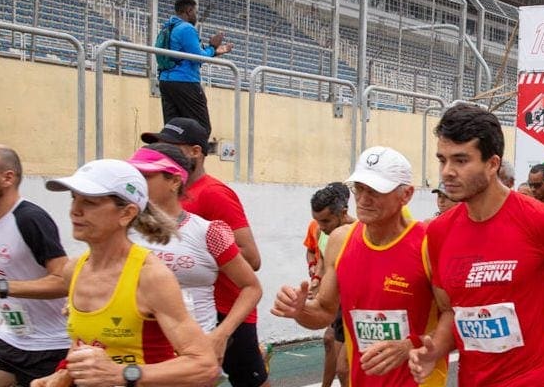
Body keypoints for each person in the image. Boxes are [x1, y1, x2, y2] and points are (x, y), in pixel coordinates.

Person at [409, 104, 544, 386]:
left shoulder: (539, 218)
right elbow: (453, 311)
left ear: (492, 164)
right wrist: (435, 349)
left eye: (461, 160)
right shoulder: (438, 232)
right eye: (443, 160)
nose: (447, 172)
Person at [35, 159, 219, 386]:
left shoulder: (150, 276)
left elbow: (204, 365)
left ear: (127, 213)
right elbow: (86, 343)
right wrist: (63, 373)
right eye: (74, 199)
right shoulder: (74, 270)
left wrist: (122, 374)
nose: (75, 211)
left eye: (90, 202)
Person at [274, 147, 447, 387]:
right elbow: (324, 311)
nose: (364, 199)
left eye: (375, 191)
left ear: (406, 194)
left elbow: (455, 317)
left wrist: (410, 345)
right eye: (360, 188)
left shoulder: (429, 243)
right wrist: (300, 310)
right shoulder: (340, 240)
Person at [140, 117, 267, 386]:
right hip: (178, 314)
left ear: (195, 152)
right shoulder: (140, 214)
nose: (161, 149)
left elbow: (252, 259)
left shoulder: (213, 194)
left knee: (249, 381)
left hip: (223, 308)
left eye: (169, 144)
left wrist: (205, 255)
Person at [126, 143, 262, 356]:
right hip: (138, 350)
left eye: (146, 176)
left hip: (193, 352)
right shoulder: (123, 228)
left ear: (174, 181)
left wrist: (220, 335)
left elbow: (251, 287)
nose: (136, 183)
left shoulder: (209, 232)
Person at [0, 145, 70, 386]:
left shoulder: (30, 218)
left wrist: (2, 288)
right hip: (10, 341)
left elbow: (64, 281)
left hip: (54, 345)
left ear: (7, 178)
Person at [158, 0, 234, 134]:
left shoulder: (168, 27)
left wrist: (214, 51)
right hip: (185, 82)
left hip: (166, 82)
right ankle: (191, 155)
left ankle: (173, 155)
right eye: (195, 12)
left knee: (173, 129)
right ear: (189, 11)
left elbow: (187, 53)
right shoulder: (187, 28)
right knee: (201, 129)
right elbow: (198, 58)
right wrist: (212, 46)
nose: (196, 16)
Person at [307, 182, 357, 387]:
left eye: (326, 220)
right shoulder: (322, 232)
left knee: (345, 369)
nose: (321, 226)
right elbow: (323, 260)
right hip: (337, 305)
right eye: (317, 221)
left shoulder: (359, 232)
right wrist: (316, 282)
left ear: (343, 212)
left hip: (358, 308)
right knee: (341, 366)